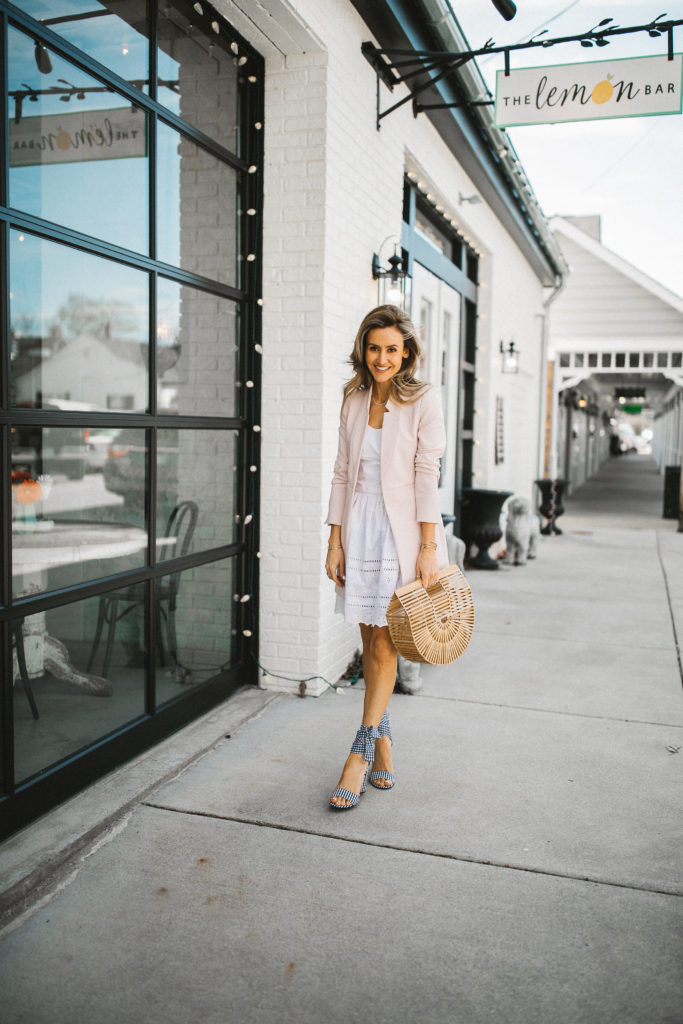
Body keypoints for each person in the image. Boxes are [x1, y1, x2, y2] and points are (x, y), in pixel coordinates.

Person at [325, 304, 448, 810]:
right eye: (374, 348)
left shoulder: (423, 399)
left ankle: (358, 753)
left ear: (406, 353)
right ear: (364, 349)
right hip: (359, 528)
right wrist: (333, 541)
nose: (382, 358)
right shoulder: (352, 399)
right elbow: (339, 472)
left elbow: (427, 474)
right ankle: (386, 749)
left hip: (401, 535)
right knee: (369, 639)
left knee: (384, 646)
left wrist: (427, 546)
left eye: (392, 349)